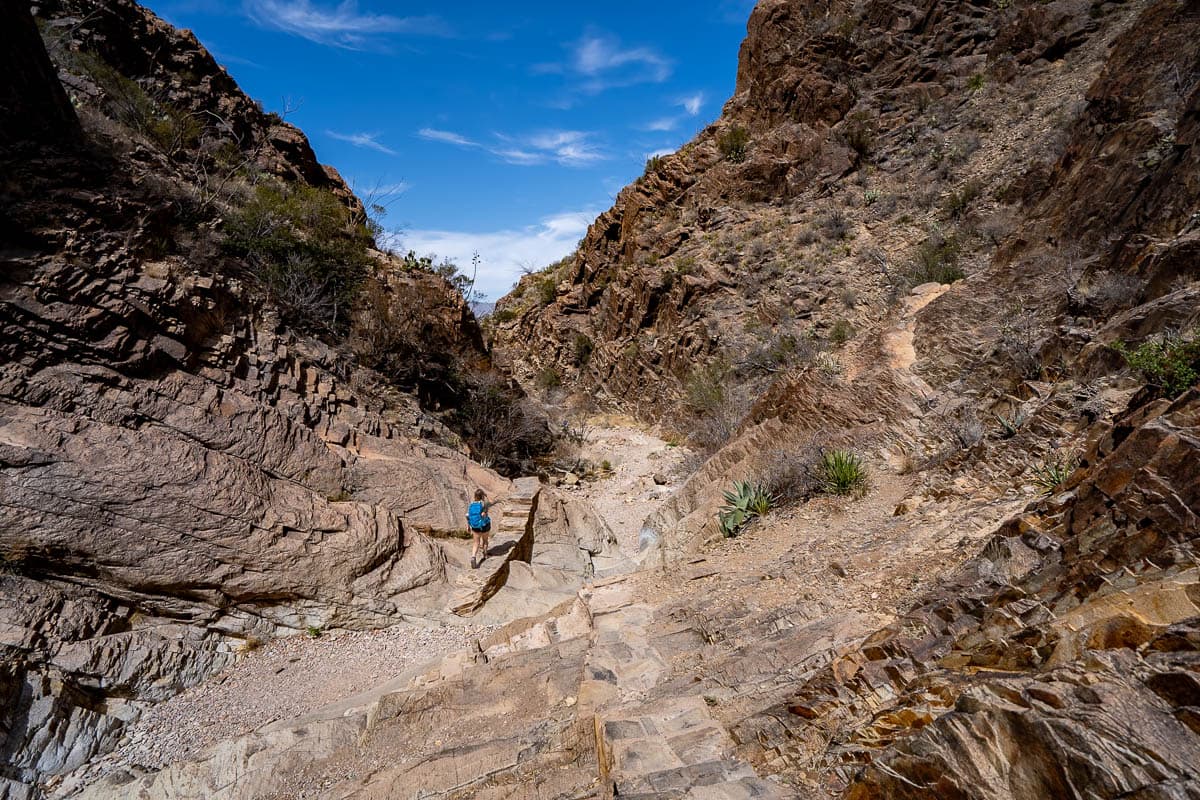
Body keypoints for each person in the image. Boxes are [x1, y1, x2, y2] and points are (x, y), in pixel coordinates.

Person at [467, 489, 494, 569]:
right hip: (485, 526)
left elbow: (468, 516)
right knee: (485, 541)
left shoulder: (471, 505)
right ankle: (485, 555)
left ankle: (473, 557)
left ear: (475, 496)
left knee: (476, 543)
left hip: (475, 527)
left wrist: (468, 526)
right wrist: (486, 497)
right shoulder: (483, 504)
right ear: (482, 496)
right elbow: (485, 513)